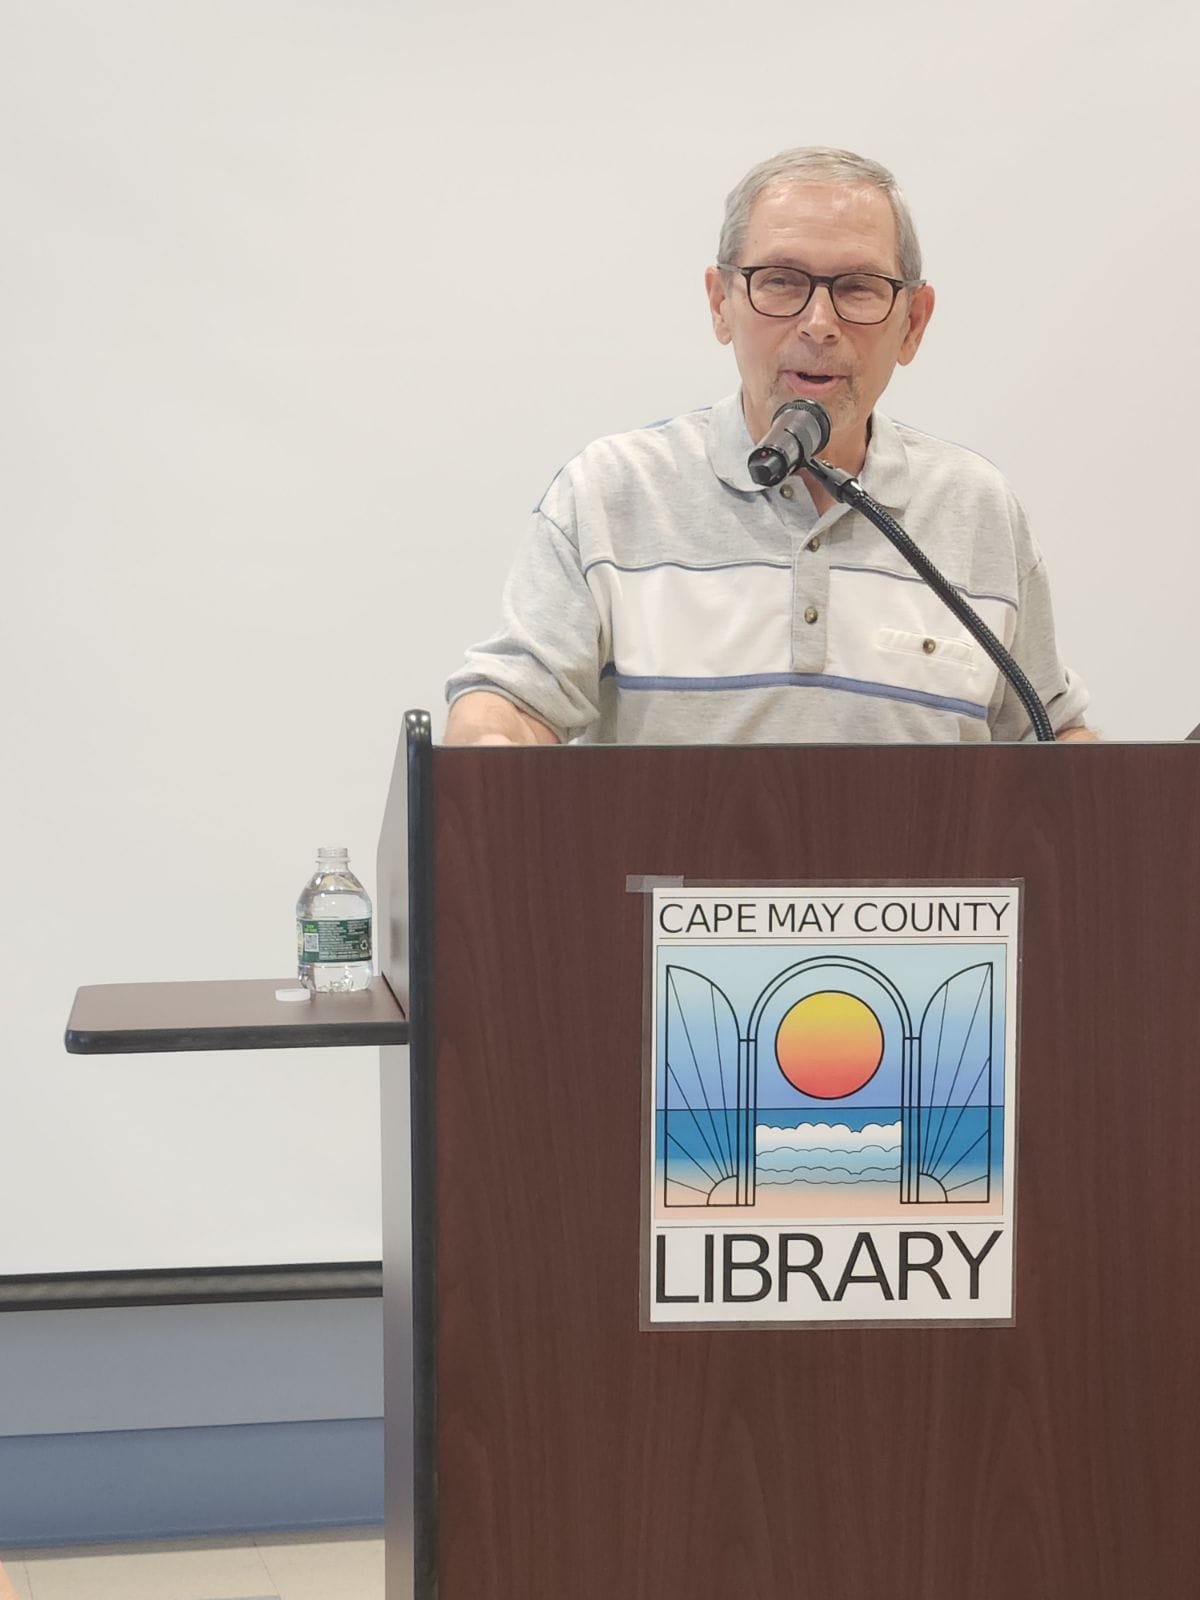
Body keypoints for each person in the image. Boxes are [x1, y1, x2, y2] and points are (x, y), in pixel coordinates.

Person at [444, 147, 1094, 747]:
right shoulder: (612, 493)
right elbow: (509, 704)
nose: (819, 324)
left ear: (913, 323)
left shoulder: (975, 509)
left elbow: (1052, 739)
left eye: (858, 288)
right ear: (721, 303)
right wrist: (490, 740)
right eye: (781, 281)